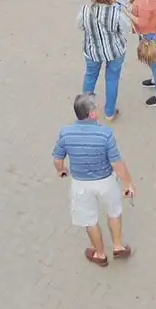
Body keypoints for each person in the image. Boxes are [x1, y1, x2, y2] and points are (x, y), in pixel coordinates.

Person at [52, 94, 136, 267]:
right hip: (106, 181)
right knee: (114, 212)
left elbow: (57, 158)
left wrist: (61, 170)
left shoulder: (66, 133)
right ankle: (118, 246)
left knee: (89, 220)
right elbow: (117, 163)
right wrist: (128, 183)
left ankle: (100, 253)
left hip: (81, 184)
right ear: (92, 114)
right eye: (96, 107)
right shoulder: (105, 134)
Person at [78, 0, 131, 121]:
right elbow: (126, 29)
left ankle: (85, 111)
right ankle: (109, 112)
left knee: (90, 78)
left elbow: (79, 25)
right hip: (115, 51)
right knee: (112, 80)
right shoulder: (116, 13)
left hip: (92, 51)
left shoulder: (85, 10)